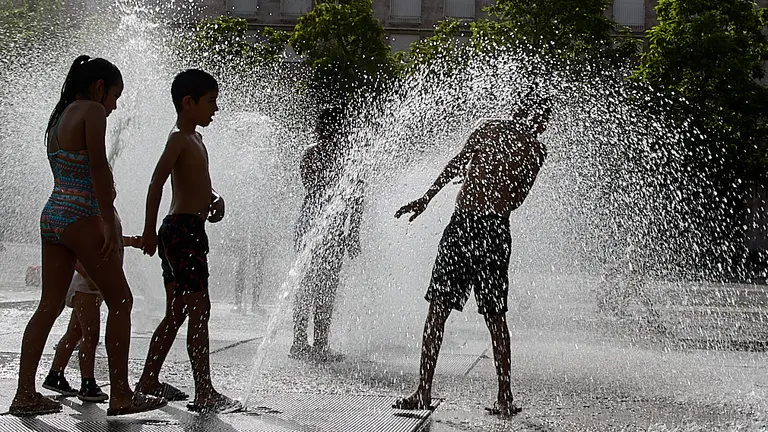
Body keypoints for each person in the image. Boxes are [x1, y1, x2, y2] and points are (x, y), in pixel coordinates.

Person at [9, 55, 166, 416]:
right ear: (98, 87)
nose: (113, 106)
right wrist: (108, 221)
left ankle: (24, 394)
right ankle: (122, 394)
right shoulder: (91, 112)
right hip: (81, 214)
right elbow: (97, 165)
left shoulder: (59, 117)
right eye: (114, 96)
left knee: (48, 305)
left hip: (53, 215)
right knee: (121, 301)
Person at [392, 97, 551, 416]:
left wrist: (430, 197)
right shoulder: (529, 148)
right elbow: (516, 195)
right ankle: (502, 398)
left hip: (469, 225)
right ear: (535, 118)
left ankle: (426, 391)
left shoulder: (500, 134)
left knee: (447, 311)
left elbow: (458, 163)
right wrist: (430, 197)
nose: (541, 124)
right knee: (491, 316)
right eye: (542, 119)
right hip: (491, 229)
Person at [137, 69, 242, 414]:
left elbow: (197, 182)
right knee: (200, 309)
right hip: (181, 232)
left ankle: (148, 381)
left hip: (189, 230)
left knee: (178, 310)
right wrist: (149, 230)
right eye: (210, 102)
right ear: (188, 102)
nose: (216, 109)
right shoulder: (179, 137)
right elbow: (156, 183)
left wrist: (215, 197)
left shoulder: (196, 139)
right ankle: (204, 391)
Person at [291, 107, 364, 362]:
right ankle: (306, 343)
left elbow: (356, 198)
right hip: (319, 226)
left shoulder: (318, 154)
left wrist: (352, 233)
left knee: (315, 286)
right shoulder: (340, 157)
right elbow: (354, 198)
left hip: (315, 225)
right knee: (316, 286)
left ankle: (310, 343)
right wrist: (352, 233)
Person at [43, 215, 142, 404]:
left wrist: (133, 241)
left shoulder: (108, 213)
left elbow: (112, 241)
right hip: (86, 288)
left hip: (95, 286)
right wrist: (87, 274)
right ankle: (87, 384)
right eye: (110, 185)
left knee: (74, 333)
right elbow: (78, 251)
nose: (112, 188)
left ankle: (55, 375)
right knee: (90, 336)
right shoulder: (93, 213)